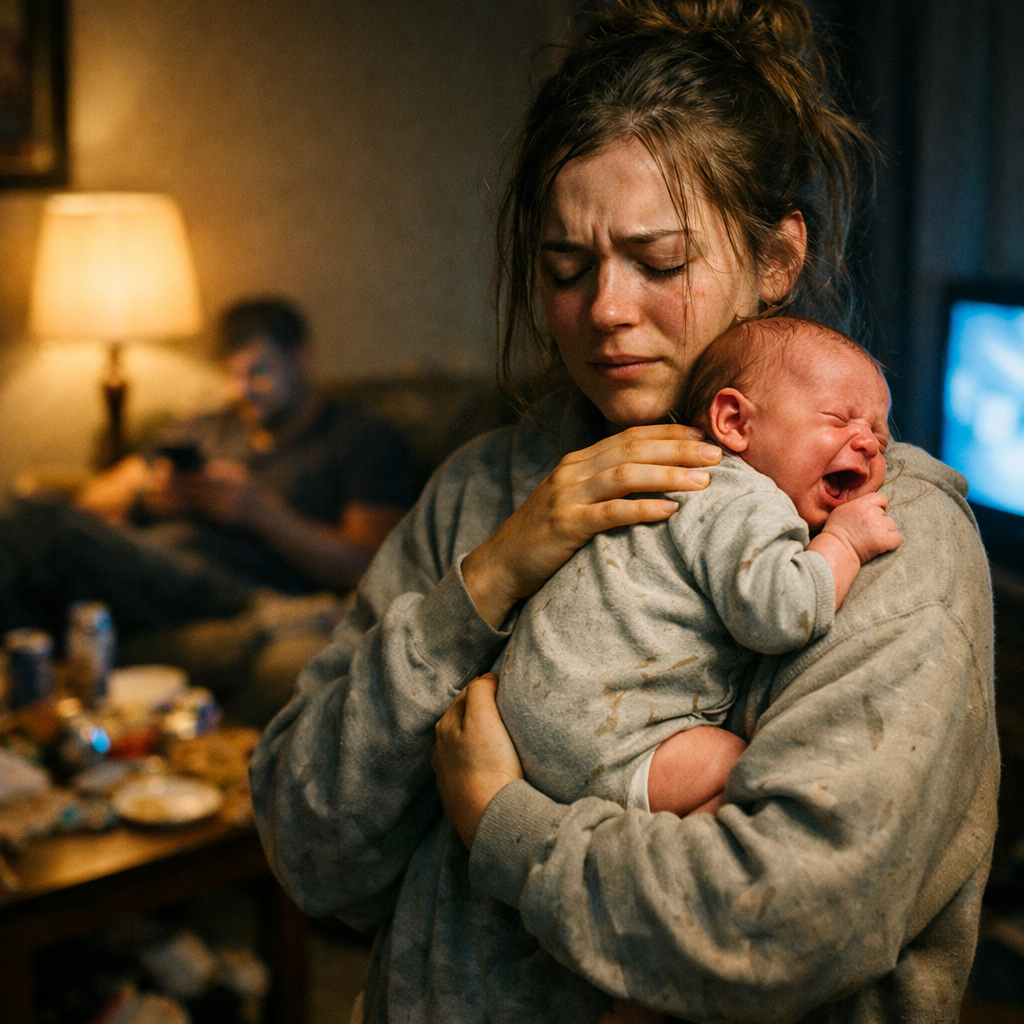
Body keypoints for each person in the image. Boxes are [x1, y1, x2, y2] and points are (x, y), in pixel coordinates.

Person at [250, 3, 998, 1022]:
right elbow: (311, 850)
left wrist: (499, 820)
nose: (604, 308)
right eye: (566, 267)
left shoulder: (883, 531)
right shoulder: (481, 488)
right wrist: (485, 583)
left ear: (775, 261)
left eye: (659, 263)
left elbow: (779, 918)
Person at [496, 317, 902, 824]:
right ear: (734, 421)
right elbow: (781, 611)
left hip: (524, 712)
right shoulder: (744, 497)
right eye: (839, 420)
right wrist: (844, 541)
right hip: (603, 739)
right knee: (747, 771)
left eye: (880, 439)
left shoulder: (671, 471)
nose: (866, 442)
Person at [0, 298, 418, 638]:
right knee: (28, 552)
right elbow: (92, 501)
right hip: (150, 564)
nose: (241, 391)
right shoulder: (205, 427)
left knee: (29, 520)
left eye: (258, 372)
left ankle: (273, 613)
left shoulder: (357, 436)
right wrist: (152, 496)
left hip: (234, 586)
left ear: (301, 359)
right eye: (231, 375)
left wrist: (263, 514)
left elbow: (369, 565)